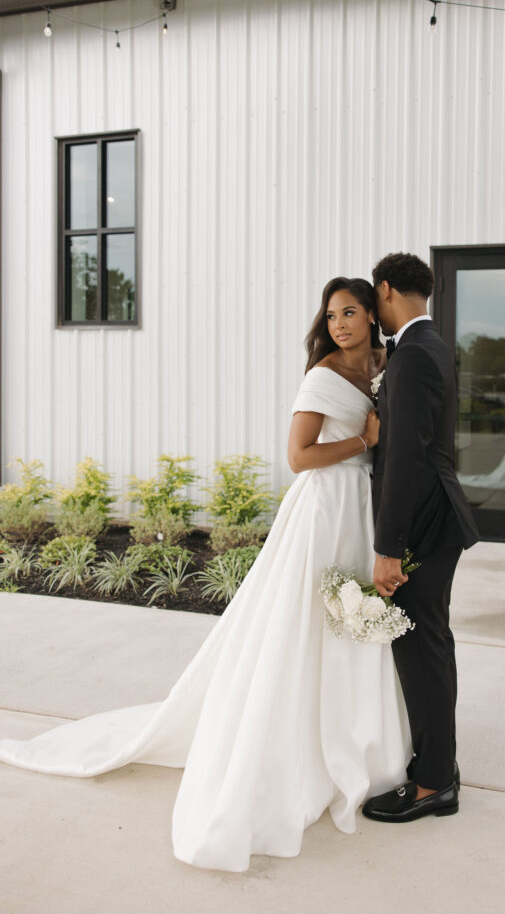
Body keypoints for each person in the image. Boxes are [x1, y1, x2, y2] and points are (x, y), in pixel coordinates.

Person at [0, 277, 411, 873]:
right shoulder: (322, 374)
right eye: (331, 315)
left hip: (362, 510)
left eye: (350, 312)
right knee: (307, 619)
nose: (340, 323)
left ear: (373, 315)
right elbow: (298, 458)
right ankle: (295, 743)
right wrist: (360, 441)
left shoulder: (385, 363)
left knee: (354, 622)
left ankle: (358, 738)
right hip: (324, 508)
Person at [362, 252, 480, 824]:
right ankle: (442, 764)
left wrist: (389, 548)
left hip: (424, 526)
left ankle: (434, 783)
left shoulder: (412, 356)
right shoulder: (429, 346)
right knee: (432, 644)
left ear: (385, 290)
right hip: (438, 519)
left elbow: (406, 458)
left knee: (421, 649)